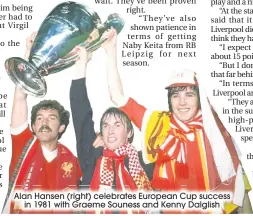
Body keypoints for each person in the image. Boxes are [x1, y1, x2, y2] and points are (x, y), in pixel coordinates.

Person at [100, 28, 252, 214]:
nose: (181, 102)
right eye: (175, 96)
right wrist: (111, 50)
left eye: (188, 95)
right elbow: (117, 96)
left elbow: (240, 190)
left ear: (199, 98)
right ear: (169, 100)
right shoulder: (159, 124)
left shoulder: (215, 132)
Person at [3, 33, 82, 214]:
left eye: (51, 118)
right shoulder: (23, 145)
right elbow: (20, 98)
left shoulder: (72, 160)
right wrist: (29, 54)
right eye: (39, 118)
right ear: (32, 126)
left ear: (61, 127)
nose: (44, 122)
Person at [70, 46, 152, 213]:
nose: (110, 131)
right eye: (105, 126)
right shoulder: (93, 155)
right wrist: (81, 64)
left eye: (117, 125)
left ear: (129, 132)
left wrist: (111, 51)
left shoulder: (143, 161)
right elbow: (80, 113)